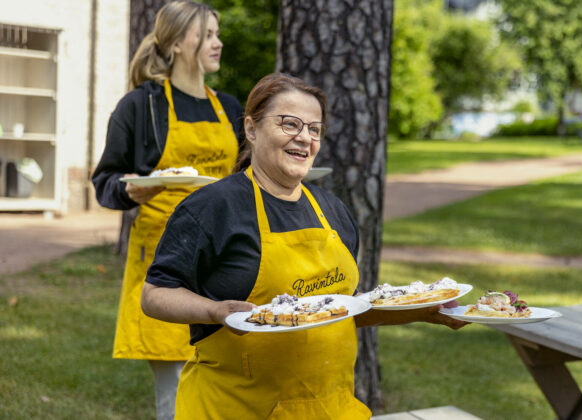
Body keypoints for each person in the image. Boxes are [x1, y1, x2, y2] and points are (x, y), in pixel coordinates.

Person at [140, 72, 467, 419]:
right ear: (251, 129)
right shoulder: (212, 207)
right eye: (289, 124)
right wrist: (215, 311)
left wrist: (424, 311)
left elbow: (341, 311)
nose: (304, 138)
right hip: (235, 408)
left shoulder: (332, 210)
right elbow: (155, 294)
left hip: (329, 409)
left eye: (314, 129)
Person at [90, 2, 243, 419]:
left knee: (227, 387)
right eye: (208, 35)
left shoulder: (228, 108)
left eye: (217, 33)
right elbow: (106, 179)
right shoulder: (142, 106)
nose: (218, 42)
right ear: (177, 43)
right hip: (165, 265)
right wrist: (130, 191)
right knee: (175, 398)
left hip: (224, 259)